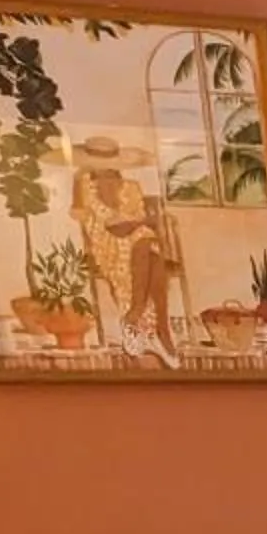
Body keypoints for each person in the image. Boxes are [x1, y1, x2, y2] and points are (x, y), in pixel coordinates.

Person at [68, 133, 178, 365]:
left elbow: (137, 220)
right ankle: (159, 330)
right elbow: (89, 218)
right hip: (105, 239)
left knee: (148, 245)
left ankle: (138, 318)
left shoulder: (131, 187)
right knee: (149, 246)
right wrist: (132, 224)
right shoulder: (83, 184)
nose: (104, 170)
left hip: (137, 237)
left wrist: (134, 224)